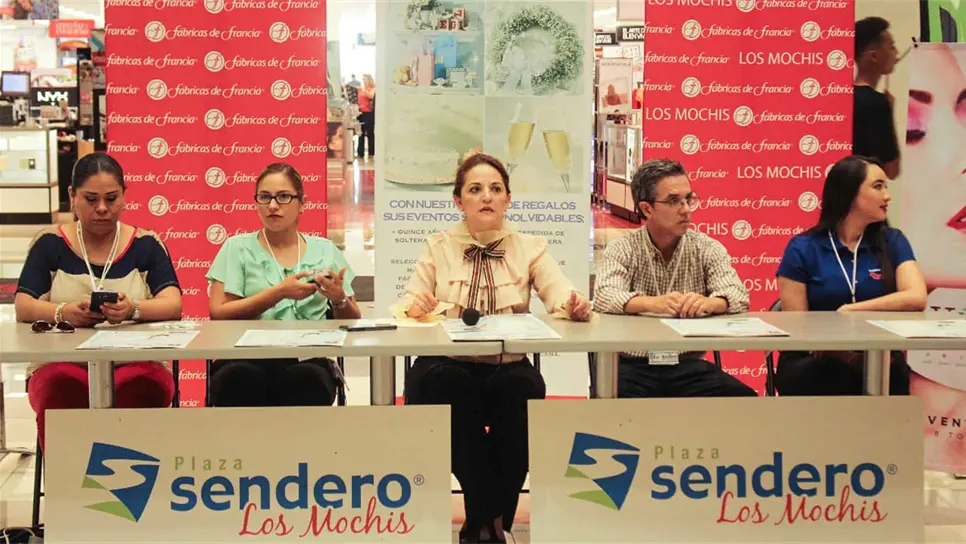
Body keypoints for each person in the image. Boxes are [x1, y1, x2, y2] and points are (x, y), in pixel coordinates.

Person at [395, 153, 591, 544]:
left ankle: (482, 522)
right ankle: (489, 520)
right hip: (444, 364)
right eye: (475, 189)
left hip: (506, 364)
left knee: (520, 394)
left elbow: (560, 292)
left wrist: (574, 304)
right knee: (452, 389)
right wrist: (417, 308)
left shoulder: (529, 247)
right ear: (458, 201)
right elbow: (409, 304)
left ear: (508, 199)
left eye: (495, 189)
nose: (486, 196)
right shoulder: (437, 247)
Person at [14, 153, 183, 450]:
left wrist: (134, 309)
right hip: (60, 361)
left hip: (138, 359)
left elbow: (173, 304)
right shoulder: (49, 244)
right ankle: (68, 489)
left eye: (111, 198)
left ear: (125, 196)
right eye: (91, 199)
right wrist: (61, 312)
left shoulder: (146, 244)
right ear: (72, 196)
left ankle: (135, 489)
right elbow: (24, 304)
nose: (102, 209)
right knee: (62, 390)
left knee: (140, 389)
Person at [594, 158, 755, 398]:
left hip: (687, 364)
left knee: (744, 400)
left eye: (688, 199)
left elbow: (737, 294)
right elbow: (605, 296)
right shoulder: (623, 248)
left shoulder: (705, 247)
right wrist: (652, 303)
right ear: (647, 209)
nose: (685, 209)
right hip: (633, 366)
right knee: (614, 408)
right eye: (673, 201)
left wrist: (711, 303)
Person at [206, 163, 361, 407]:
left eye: (284, 197)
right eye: (264, 197)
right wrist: (278, 293)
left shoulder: (325, 250)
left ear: (302, 203)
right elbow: (218, 313)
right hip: (244, 356)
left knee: (305, 382)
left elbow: (352, 318)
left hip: (307, 358)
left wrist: (338, 297)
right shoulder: (236, 247)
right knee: (240, 381)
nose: (273, 205)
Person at [774, 155, 928, 396]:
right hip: (816, 356)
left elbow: (916, 297)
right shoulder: (803, 247)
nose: (887, 196)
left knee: (894, 375)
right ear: (849, 192)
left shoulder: (893, 241)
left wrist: (852, 310)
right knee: (836, 375)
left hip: (880, 354)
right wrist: (844, 355)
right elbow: (797, 328)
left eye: (886, 187)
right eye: (878, 187)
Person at [853, 17, 901, 179]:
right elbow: (892, 170)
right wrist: (889, 111)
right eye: (891, 47)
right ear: (874, 55)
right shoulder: (877, 104)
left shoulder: (842, 97)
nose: (897, 53)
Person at [357, 74, 376, 160]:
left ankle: (371, 152)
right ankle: (360, 152)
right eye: (363, 79)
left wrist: (364, 91)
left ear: (369, 80)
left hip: (369, 113)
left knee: (370, 133)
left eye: (365, 79)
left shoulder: (372, 89)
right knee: (360, 133)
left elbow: (371, 96)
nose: (363, 81)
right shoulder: (361, 90)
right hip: (361, 113)